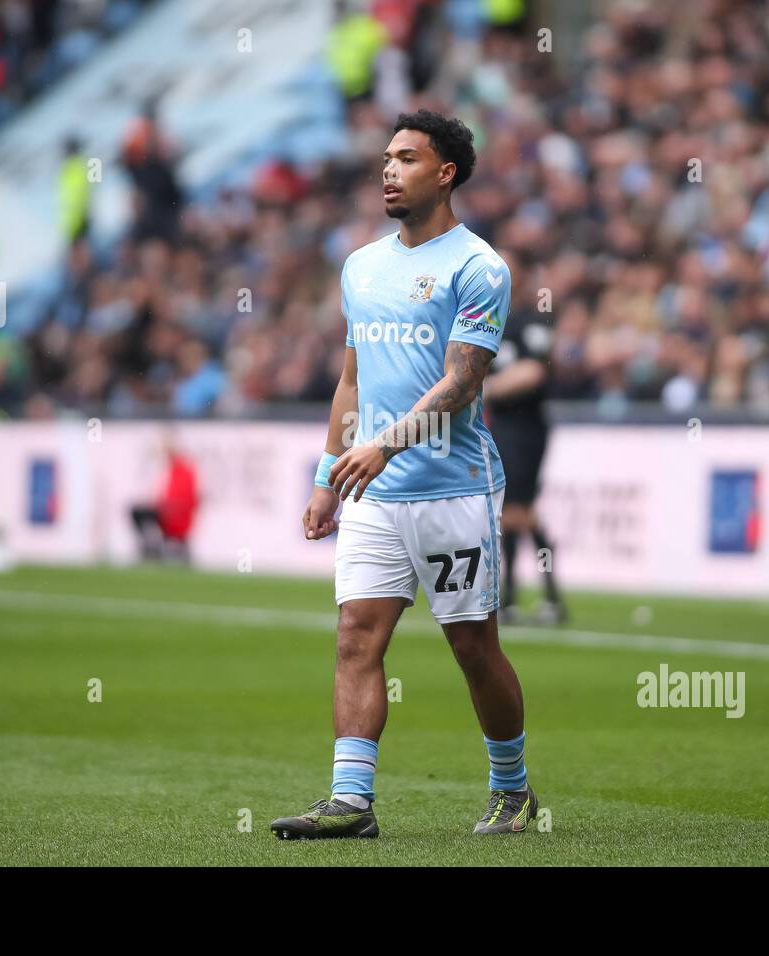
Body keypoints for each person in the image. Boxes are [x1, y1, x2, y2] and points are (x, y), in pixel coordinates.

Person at [270, 109, 536, 840]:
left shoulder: (478, 267)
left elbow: (463, 382)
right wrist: (327, 476)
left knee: (473, 648)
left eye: (408, 158)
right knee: (356, 636)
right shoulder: (361, 266)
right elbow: (351, 381)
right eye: (387, 157)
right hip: (373, 492)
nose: (389, 169)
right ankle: (351, 802)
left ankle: (512, 789)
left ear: (445, 174)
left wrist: (384, 445)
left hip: (453, 489)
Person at [483, 303, 567, 624]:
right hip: (501, 428)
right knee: (516, 511)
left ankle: (517, 598)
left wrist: (485, 389)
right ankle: (537, 598)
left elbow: (534, 372)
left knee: (519, 511)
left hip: (525, 429)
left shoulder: (530, 322)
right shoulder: (488, 320)